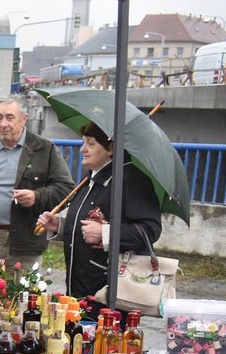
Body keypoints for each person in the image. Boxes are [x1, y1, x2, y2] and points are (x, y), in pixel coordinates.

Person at [37, 122, 162, 302]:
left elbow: (150, 230)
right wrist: (60, 225)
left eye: (91, 143)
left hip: (109, 291)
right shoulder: (91, 179)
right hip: (80, 285)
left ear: (110, 148)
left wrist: (105, 233)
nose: (82, 149)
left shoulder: (130, 180)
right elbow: (90, 221)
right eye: (83, 142)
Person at [0, 96, 75, 277]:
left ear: (24, 119)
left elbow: (67, 189)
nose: (3, 123)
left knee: (20, 300)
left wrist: (37, 196)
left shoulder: (44, 149)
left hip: (25, 241)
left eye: (9, 117)